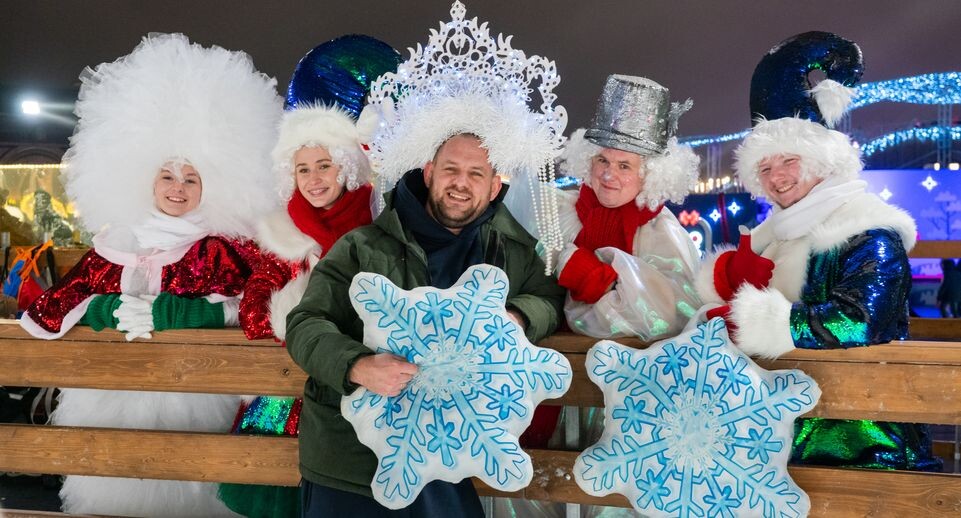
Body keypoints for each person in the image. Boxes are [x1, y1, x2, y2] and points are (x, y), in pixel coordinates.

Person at [287, 3, 567, 515]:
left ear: (497, 181)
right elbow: (305, 323)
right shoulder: (364, 245)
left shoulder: (509, 250)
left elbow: (548, 294)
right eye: (451, 169)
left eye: (477, 173)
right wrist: (358, 366)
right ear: (429, 169)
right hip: (350, 462)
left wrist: (520, 315)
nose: (461, 183)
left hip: (451, 457)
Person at [19, 33, 281, 516]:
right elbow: (53, 307)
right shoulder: (116, 241)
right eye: (167, 175)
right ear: (144, 176)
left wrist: (178, 313)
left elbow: (262, 311)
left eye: (191, 178)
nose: (177, 188)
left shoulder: (227, 249)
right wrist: (106, 310)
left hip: (195, 395)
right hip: (113, 395)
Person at [698, 31, 941, 471]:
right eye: (765, 167)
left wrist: (753, 320)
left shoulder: (868, 231)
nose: (777, 177)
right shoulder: (778, 232)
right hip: (781, 436)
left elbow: (858, 320)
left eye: (788, 160)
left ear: (821, 160)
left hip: (859, 439)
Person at [219, 105, 375, 518]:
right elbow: (253, 312)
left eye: (324, 165)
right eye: (302, 169)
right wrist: (294, 311)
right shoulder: (280, 233)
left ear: (345, 166)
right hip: (288, 389)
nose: (314, 179)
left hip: (361, 383)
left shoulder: (377, 225)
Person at [553, 75, 702, 340]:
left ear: (649, 174)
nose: (609, 175)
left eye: (624, 166)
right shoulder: (561, 209)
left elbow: (674, 318)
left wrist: (603, 282)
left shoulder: (661, 230)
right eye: (602, 161)